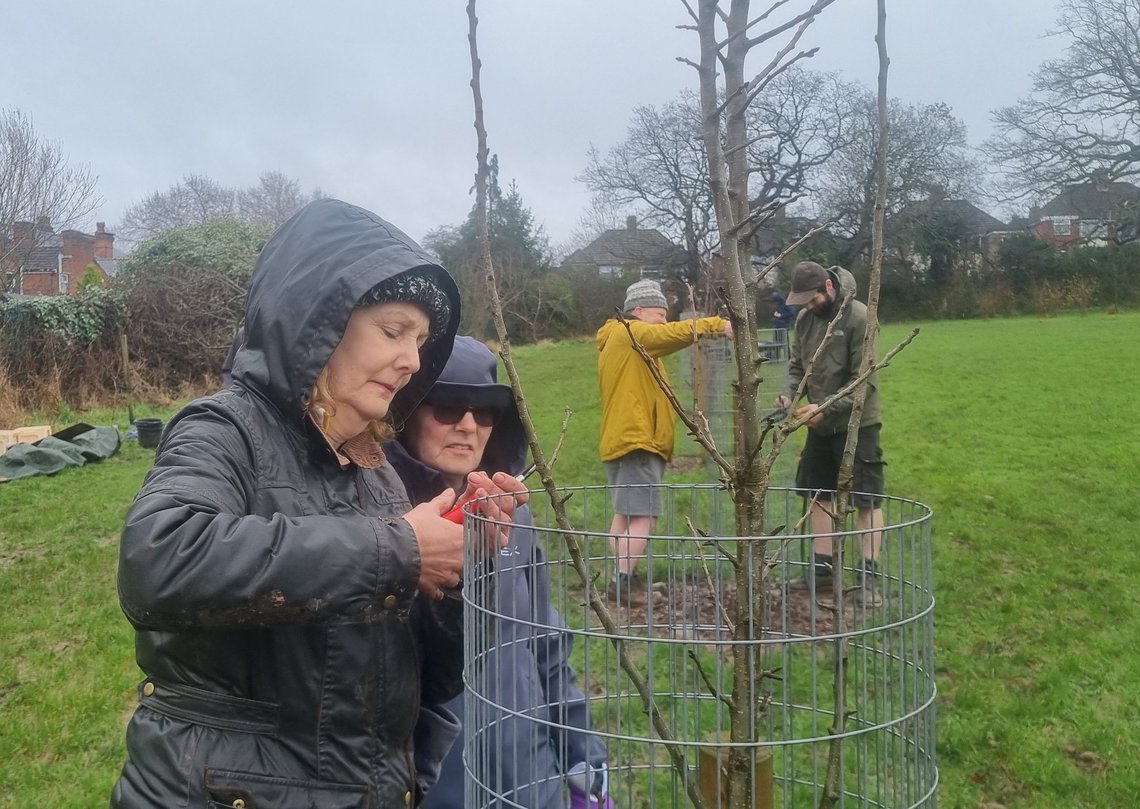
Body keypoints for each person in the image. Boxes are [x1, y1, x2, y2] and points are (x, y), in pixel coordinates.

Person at [110, 199, 528, 808]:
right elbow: (158, 560)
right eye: (393, 331)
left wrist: (461, 566)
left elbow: (430, 682)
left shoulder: (372, 469)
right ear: (318, 323)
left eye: (419, 341)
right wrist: (402, 549)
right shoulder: (225, 429)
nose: (413, 361)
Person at [386, 336, 610, 809]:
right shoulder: (382, 529)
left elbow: (546, 643)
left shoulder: (513, 518)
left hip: (530, 780)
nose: (468, 425)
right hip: (434, 787)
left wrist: (581, 756)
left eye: (485, 411)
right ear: (405, 413)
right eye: (447, 407)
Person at [596, 279, 730, 599]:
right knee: (645, 515)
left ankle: (620, 577)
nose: (664, 323)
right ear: (639, 312)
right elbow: (670, 335)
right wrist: (718, 325)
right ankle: (623, 583)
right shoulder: (632, 333)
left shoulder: (617, 339)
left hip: (620, 440)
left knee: (626, 514)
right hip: (638, 441)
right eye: (659, 315)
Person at [774, 260, 885, 602]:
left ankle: (868, 578)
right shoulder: (806, 321)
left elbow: (861, 380)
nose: (806, 307)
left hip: (856, 423)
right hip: (818, 424)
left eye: (812, 299)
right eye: (802, 301)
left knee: (865, 497)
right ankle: (822, 572)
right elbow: (797, 365)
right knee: (818, 493)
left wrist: (824, 408)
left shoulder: (860, 318)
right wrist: (790, 394)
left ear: (830, 288)